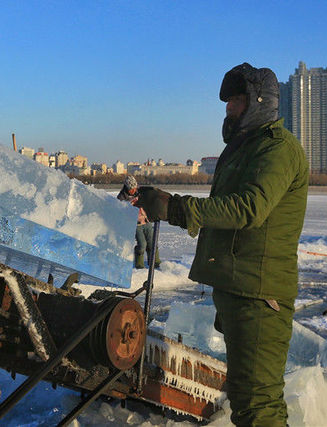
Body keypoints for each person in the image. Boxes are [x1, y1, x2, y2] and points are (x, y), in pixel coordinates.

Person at [136, 63, 308, 425]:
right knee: (246, 397)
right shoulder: (245, 149)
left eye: (238, 100)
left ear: (261, 103)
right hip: (238, 287)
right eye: (228, 100)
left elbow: (249, 208)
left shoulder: (277, 149)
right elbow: (223, 212)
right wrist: (168, 201)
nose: (229, 108)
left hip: (260, 294)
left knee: (259, 404)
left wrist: (175, 208)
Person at [117, 175, 160, 269]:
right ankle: (139, 266)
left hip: (147, 221)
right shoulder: (121, 198)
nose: (134, 191)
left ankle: (155, 264)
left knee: (152, 243)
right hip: (136, 225)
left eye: (135, 188)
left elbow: (149, 192)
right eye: (132, 189)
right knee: (142, 244)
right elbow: (121, 213)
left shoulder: (140, 192)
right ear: (127, 188)